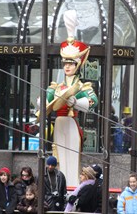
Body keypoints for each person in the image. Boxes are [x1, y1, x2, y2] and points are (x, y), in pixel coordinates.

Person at [42, 10, 98, 186]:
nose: (67, 66)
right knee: (58, 156)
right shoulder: (56, 85)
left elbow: (92, 101)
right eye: (65, 63)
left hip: (72, 123)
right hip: (58, 123)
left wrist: (76, 102)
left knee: (72, 158)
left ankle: (72, 187)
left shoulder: (81, 86)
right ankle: (60, 187)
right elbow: (45, 101)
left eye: (71, 63)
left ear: (78, 64)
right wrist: (41, 103)